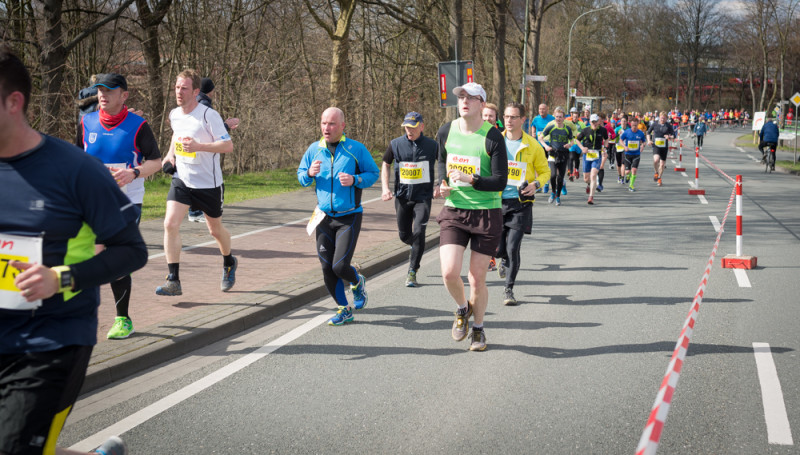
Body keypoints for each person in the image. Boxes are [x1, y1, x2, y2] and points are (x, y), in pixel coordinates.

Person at [0, 47, 146, 455]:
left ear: (14, 102)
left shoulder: (74, 170)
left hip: (50, 340)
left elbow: (131, 251)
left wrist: (61, 278)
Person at [76, 73, 161, 339]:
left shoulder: (138, 125)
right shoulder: (86, 122)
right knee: (83, 253)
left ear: (124, 95)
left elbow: (156, 162)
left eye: (109, 90)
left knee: (114, 254)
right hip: (92, 200)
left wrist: (133, 173)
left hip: (127, 201)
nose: (103, 95)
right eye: (100, 90)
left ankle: (123, 319)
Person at [436, 82, 507, 351]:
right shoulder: (446, 130)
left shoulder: (493, 136)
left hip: (486, 213)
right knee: (449, 272)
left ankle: (478, 329)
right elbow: (441, 160)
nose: (464, 101)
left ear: (481, 103)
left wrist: (472, 178)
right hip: (455, 210)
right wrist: (441, 183)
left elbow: (500, 181)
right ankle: (462, 308)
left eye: (470, 97)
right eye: (461, 97)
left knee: (477, 278)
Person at [157, 69, 238, 296]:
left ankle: (229, 261)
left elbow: (227, 146)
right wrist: (169, 155)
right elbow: (175, 135)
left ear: (195, 91)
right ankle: (173, 279)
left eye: (184, 88)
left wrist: (199, 147)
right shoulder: (174, 114)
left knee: (215, 231)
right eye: (176, 87)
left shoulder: (208, 115)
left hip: (208, 184)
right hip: (182, 179)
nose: (179, 92)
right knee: (170, 224)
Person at [298, 107, 379, 325]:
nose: (327, 128)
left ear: (342, 126)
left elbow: (373, 173)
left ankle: (357, 281)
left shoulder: (355, 149)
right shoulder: (314, 149)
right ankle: (344, 309)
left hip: (348, 216)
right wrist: (308, 174)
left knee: (340, 266)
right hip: (324, 217)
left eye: (332, 124)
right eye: (324, 123)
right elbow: (300, 176)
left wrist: (355, 180)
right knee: (326, 266)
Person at [495, 102, 549, 305]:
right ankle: (502, 259)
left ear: (523, 120)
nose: (509, 120)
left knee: (512, 247)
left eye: (514, 117)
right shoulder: (494, 141)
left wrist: (536, 184)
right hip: (496, 202)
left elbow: (545, 172)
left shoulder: (533, 145)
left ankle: (509, 289)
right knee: (498, 249)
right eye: (507, 116)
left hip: (521, 203)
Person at [380, 112, 439, 287]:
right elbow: (386, 163)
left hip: (423, 198)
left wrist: (439, 184)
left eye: (412, 127)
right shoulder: (395, 144)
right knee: (404, 235)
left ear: (421, 126)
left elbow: (444, 163)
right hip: (403, 197)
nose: (409, 131)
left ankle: (412, 271)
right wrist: (385, 188)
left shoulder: (432, 145)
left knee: (419, 232)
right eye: (406, 127)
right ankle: (415, 248)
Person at [188, 77, 241, 223]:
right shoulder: (205, 105)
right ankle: (205, 213)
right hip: (202, 150)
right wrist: (226, 125)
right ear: (211, 90)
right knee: (211, 182)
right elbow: (209, 132)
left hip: (193, 149)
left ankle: (194, 212)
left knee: (194, 180)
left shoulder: (193, 103)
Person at [541, 107, 574, 206]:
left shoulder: (567, 129)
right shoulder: (551, 127)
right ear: (554, 117)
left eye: (560, 117)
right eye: (556, 117)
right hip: (552, 154)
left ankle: (558, 197)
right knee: (553, 175)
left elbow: (572, 140)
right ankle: (553, 192)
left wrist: (570, 145)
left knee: (560, 177)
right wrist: (546, 146)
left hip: (563, 154)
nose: (558, 118)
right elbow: (540, 137)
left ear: (564, 118)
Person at [577, 114, 608, 204]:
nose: (594, 123)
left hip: (597, 155)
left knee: (593, 175)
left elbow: (606, 139)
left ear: (599, 122)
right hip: (587, 155)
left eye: (596, 121)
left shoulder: (603, 130)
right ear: (590, 122)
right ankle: (589, 184)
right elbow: (577, 140)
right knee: (586, 179)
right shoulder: (585, 130)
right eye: (592, 122)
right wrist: (582, 148)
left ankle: (591, 197)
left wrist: (604, 148)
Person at [647, 112, 675, 187]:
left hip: (664, 147)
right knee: (656, 160)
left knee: (662, 164)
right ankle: (656, 172)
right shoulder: (654, 124)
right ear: (659, 117)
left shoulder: (668, 126)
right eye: (661, 117)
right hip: (656, 146)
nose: (662, 119)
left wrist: (669, 137)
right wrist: (649, 140)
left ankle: (659, 178)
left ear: (666, 119)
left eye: (664, 118)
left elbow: (673, 135)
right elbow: (648, 133)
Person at [620, 117, 646, 192]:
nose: (634, 127)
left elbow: (644, 141)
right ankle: (628, 176)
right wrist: (624, 146)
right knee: (627, 171)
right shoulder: (627, 132)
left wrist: (642, 146)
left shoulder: (640, 133)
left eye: (635, 125)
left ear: (638, 124)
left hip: (636, 154)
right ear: (630, 124)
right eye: (633, 125)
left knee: (634, 170)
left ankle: (631, 185)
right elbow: (621, 140)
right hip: (628, 154)